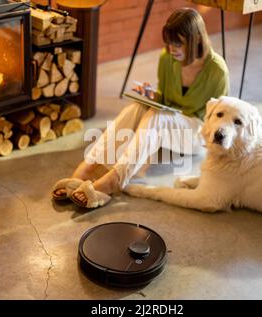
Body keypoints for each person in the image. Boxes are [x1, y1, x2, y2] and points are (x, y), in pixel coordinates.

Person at [52, 7, 230, 208]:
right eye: (169, 43)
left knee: (157, 116)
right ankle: (88, 167)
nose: (172, 49)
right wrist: (150, 95)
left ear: (197, 39)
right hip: (169, 120)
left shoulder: (217, 71)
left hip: (195, 134)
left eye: (178, 43)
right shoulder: (167, 58)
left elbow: (218, 120)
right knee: (137, 107)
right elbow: (165, 97)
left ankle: (115, 179)